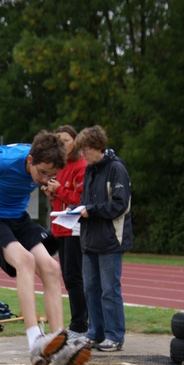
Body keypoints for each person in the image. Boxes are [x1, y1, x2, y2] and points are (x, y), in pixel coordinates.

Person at [0, 130, 91, 365]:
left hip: (17, 219)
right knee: (25, 260)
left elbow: (44, 177)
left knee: (51, 268)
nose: (45, 180)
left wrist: (49, 184)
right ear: (30, 161)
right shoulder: (2, 159)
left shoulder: (44, 163)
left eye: (52, 176)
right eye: (42, 174)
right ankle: (34, 342)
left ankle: (59, 349)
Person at [75, 125, 132, 352]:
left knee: (110, 289)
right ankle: (95, 333)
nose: (82, 154)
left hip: (110, 240)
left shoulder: (116, 169)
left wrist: (92, 211)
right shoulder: (90, 170)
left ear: (98, 147)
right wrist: (74, 211)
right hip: (89, 240)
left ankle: (115, 336)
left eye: (85, 149)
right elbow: (87, 202)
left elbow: (120, 204)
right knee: (91, 288)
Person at [41, 125, 88, 340]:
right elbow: (59, 199)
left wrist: (58, 189)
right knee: (66, 276)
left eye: (66, 140)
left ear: (76, 141)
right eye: (58, 140)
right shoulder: (58, 166)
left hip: (75, 228)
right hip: (59, 226)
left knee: (73, 276)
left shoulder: (80, 166)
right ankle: (79, 321)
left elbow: (80, 200)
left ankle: (80, 324)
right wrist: (51, 193)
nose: (62, 144)